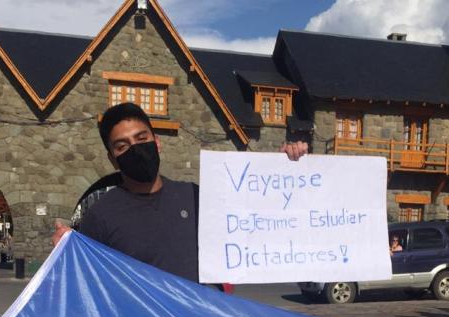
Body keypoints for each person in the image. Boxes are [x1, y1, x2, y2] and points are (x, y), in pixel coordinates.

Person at [51, 102, 308, 281]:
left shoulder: (195, 198)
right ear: (112, 159)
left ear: (157, 142)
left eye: (141, 139)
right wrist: (65, 256)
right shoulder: (101, 215)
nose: (135, 149)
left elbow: (258, 220)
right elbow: (83, 285)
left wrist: (284, 170)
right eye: (122, 146)